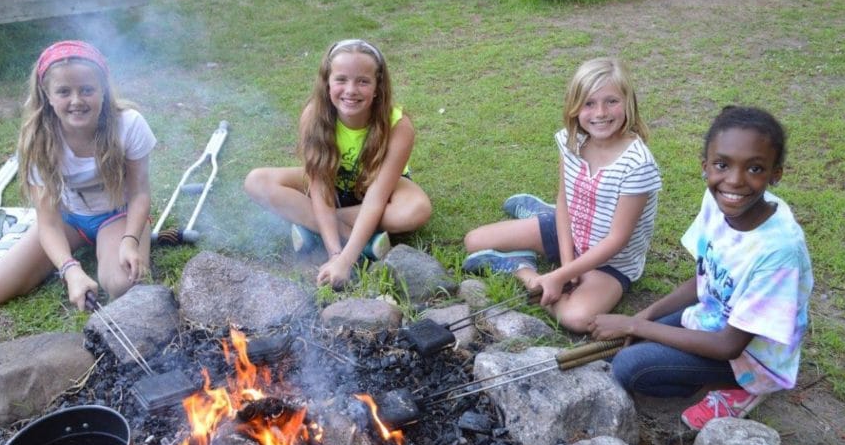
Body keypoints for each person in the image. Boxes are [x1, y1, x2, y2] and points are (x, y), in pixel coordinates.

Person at [588, 106, 814, 430]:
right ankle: (691, 373)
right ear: (705, 166)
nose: (734, 180)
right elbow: (704, 279)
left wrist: (634, 326)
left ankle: (745, 388)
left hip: (752, 356)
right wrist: (644, 316)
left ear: (775, 173)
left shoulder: (779, 250)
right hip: (712, 318)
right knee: (620, 347)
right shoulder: (718, 200)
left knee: (629, 365)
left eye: (754, 168)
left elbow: (729, 345)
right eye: (722, 165)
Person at [463, 57, 661, 333]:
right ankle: (540, 221)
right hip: (572, 230)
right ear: (574, 106)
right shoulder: (571, 141)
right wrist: (568, 266)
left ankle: (522, 271)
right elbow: (565, 201)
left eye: (611, 101)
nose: (600, 112)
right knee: (474, 240)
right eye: (589, 103)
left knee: (576, 318)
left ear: (628, 103)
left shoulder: (638, 165)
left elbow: (617, 239)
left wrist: (558, 276)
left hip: (609, 261)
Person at [0, 40, 156, 311]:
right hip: (67, 220)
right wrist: (70, 270)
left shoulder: (129, 124)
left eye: (87, 90)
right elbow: (49, 222)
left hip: (117, 216)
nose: (76, 101)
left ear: (103, 91)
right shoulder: (38, 138)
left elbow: (140, 193)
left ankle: (120, 243)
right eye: (63, 91)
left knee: (122, 284)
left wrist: (131, 240)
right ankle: (22, 231)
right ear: (46, 95)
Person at [244, 39, 431, 288]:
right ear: (327, 82)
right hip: (332, 184)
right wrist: (336, 254)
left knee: (417, 210)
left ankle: (311, 226)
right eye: (341, 79)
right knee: (256, 181)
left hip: (377, 187)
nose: (351, 90)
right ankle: (360, 242)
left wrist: (345, 260)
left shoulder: (398, 125)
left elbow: (376, 198)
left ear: (378, 86)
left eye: (363, 81)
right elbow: (320, 187)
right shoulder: (314, 116)